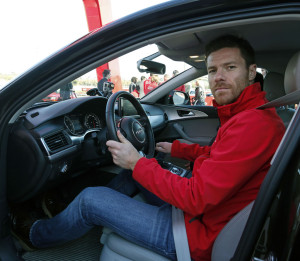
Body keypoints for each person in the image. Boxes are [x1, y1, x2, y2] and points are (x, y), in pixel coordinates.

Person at [12, 35, 285, 261]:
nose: (219, 77)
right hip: (201, 217)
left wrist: (137, 162)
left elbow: (196, 197)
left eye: (230, 67)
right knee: (136, 171)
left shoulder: (253, 124)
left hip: (196, 236)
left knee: (90, 200)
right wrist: (177, 149)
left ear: (251, 72)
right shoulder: (250, 116)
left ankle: (34, 235)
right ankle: (64, 214)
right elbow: (221, 157)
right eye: (213, 70)